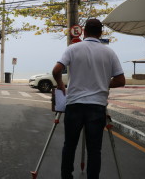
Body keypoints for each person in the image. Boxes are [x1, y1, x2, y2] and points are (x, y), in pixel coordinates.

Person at [52, 19, 125, 179]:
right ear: (101, 33)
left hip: (74, 105)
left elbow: (56, 70)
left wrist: (60, 85)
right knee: (94, 150)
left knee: (69, 146)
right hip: (97, 107)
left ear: (84, 31)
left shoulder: (73, 49)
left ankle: (67, 177)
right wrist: (104, 83)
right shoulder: (109, 53)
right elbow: (121, 80)